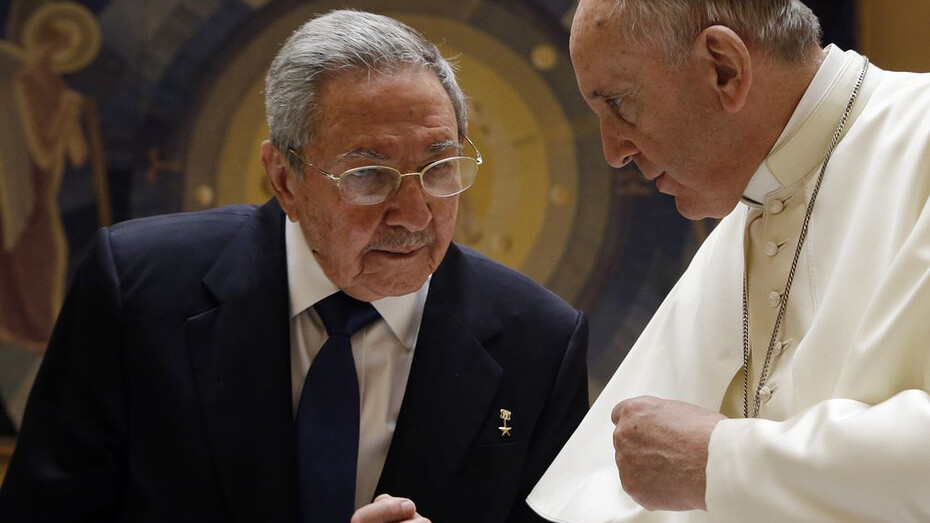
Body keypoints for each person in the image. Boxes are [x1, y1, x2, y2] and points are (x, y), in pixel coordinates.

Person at [0, 10, 589, 523]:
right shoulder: (136, 289)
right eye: (368, 175)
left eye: (440, 168)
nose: (414, 214)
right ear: (284, 178)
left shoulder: (539, 343)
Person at [527, 1, 930, 522]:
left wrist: (721, 463)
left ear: (724, 68)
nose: (613, 151)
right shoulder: (755, 195)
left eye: (621, 104)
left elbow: (696, 464)